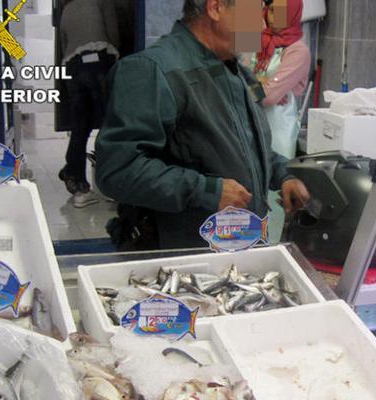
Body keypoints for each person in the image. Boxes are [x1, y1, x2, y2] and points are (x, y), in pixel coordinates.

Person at [95, 0, 310, 249]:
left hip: (236, 250)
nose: (262, 24)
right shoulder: (151, 69)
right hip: (181, 258)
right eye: (253, 11)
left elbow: (244, 144)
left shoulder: (235, 70)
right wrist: (207, 190)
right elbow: (117, 170)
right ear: (216, 8)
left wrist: (282, 175)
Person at [58, 0, 122, 208]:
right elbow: (113, 34)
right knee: (109, 126)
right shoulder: (103, 2)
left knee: (79, 128)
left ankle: (79, 187)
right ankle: (111, 186)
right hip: (99, 64)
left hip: (72, 68)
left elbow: (63, 42)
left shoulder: (68, 7)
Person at [243, 0, 310, 160]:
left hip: (278, 131)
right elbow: (234, 74)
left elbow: (268, 96)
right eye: (273, 10)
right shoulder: (256, 39)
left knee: (275, 180)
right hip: (249, 125)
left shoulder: (298, 51)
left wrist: (246, 87)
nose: (275, 18)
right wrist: (261, 84)